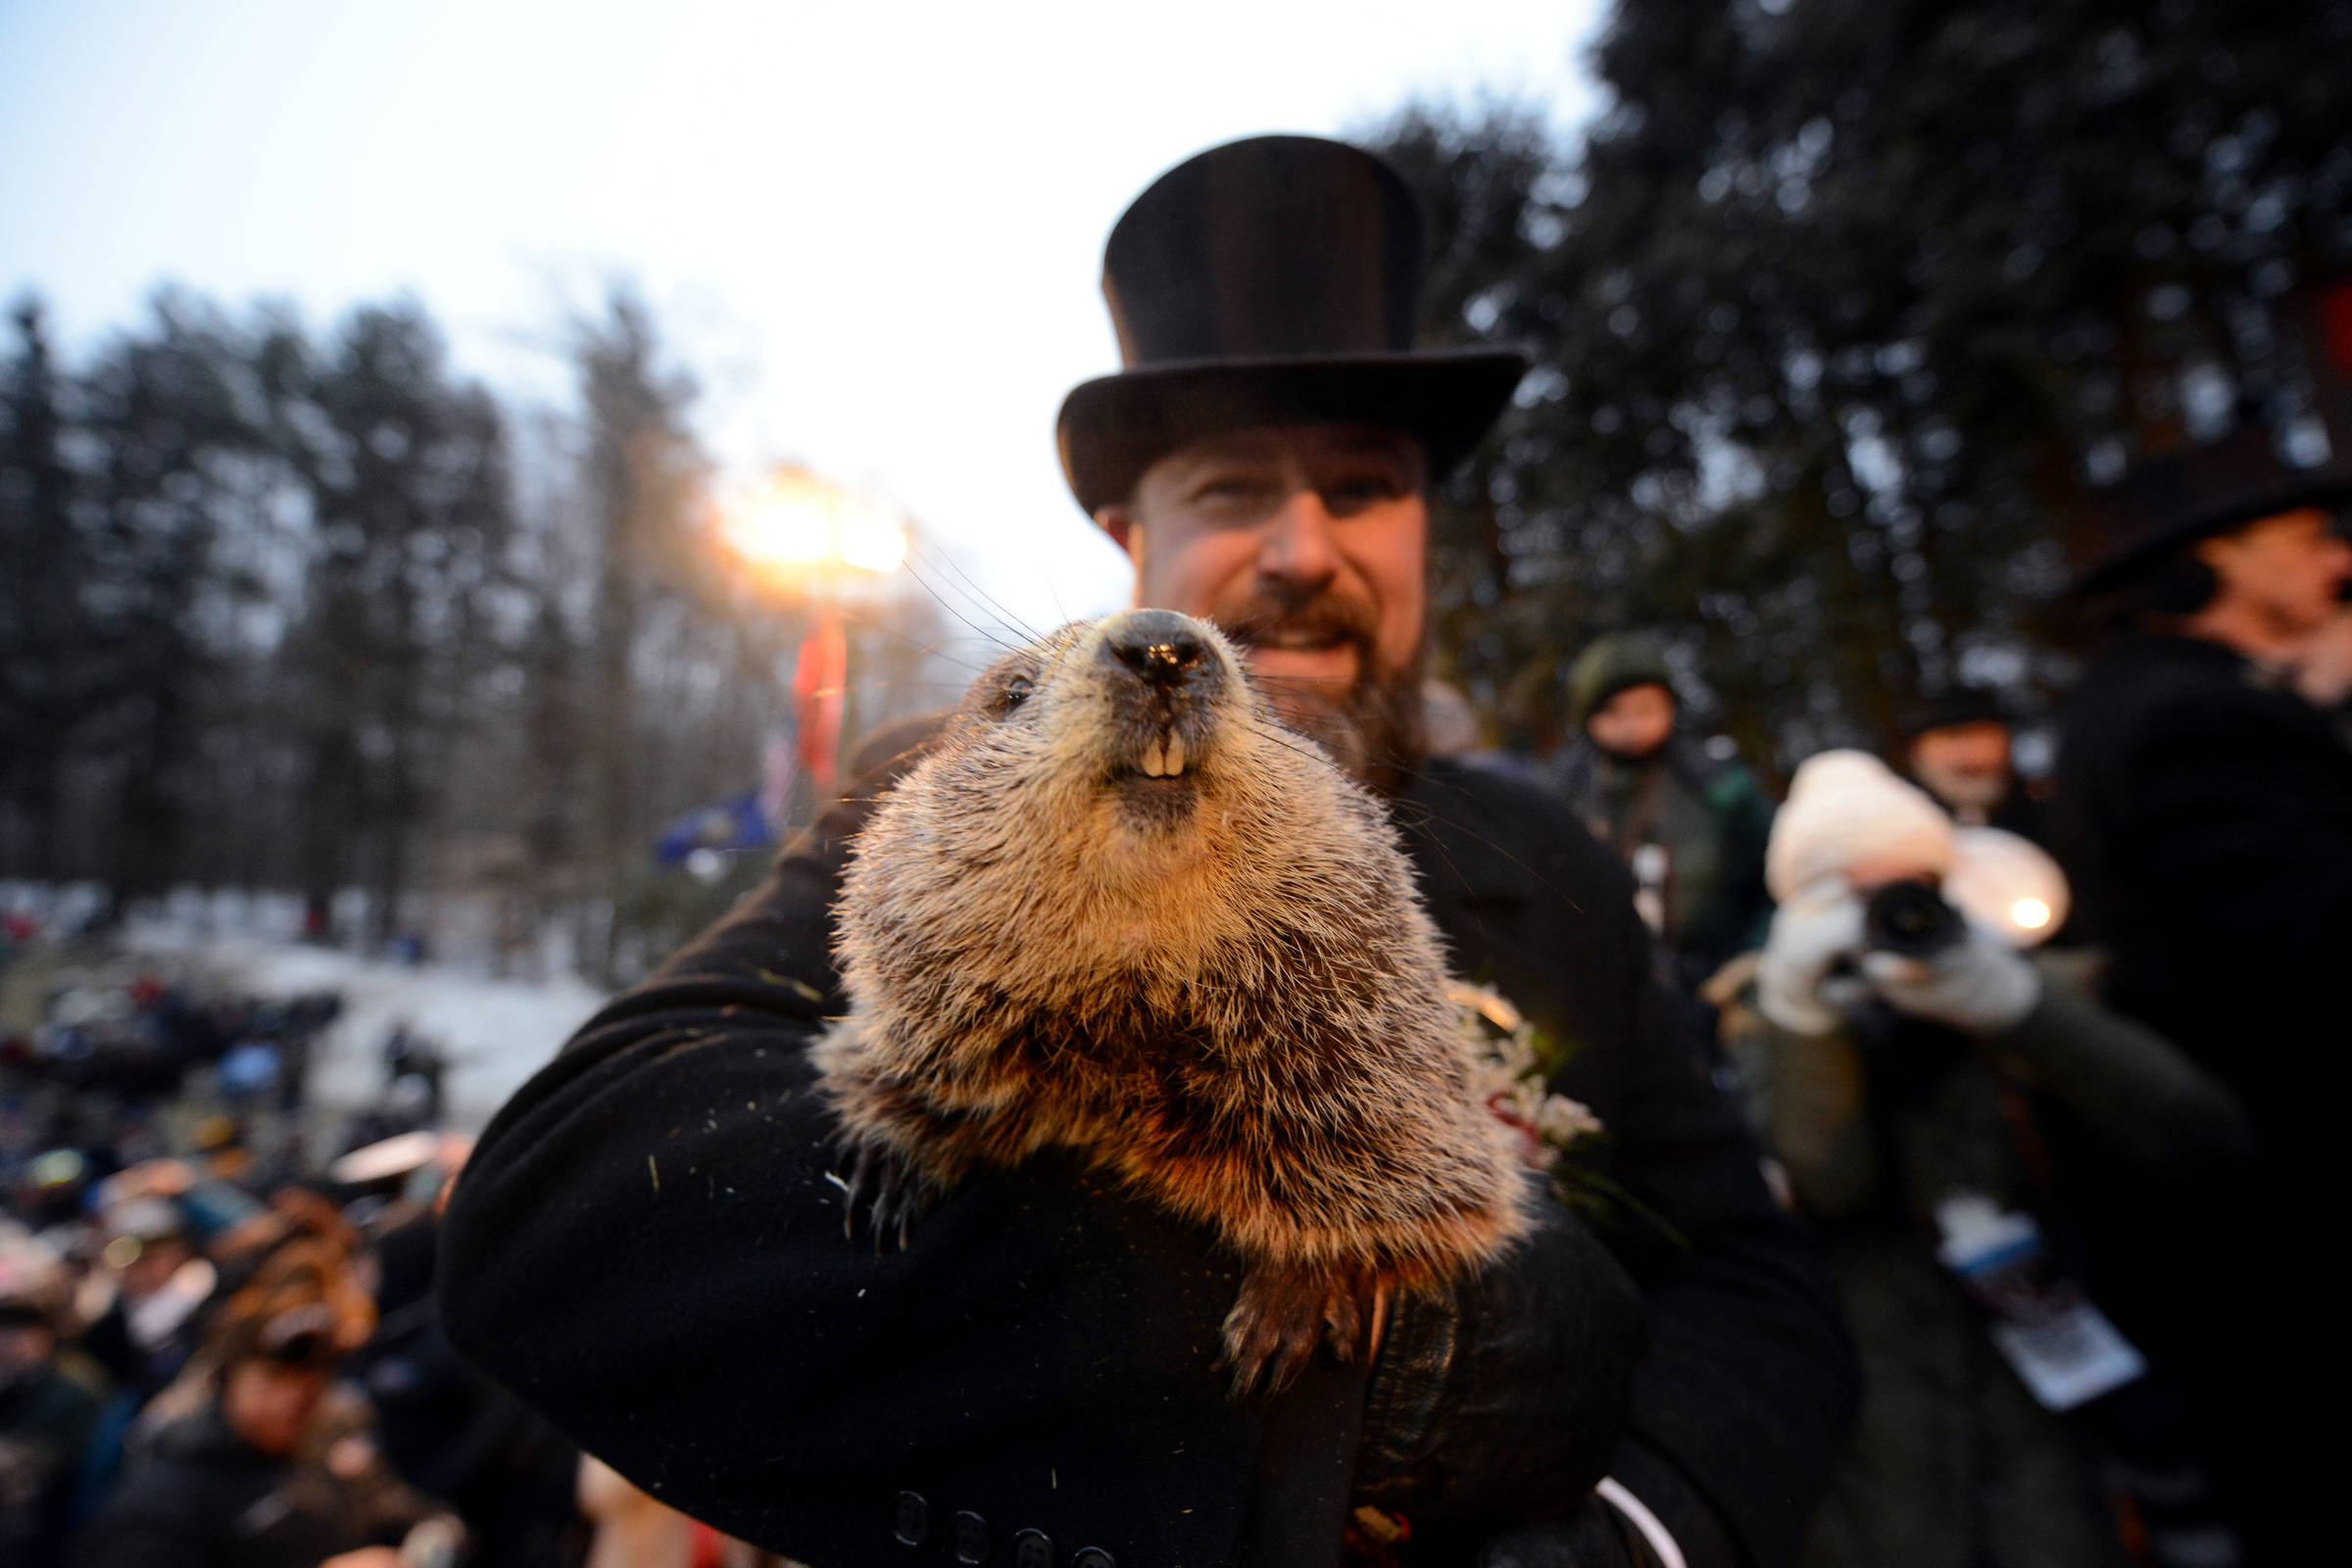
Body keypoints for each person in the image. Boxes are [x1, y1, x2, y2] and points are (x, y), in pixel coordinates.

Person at [440, 134, 1853, 1568]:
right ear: (1132, 536)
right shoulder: (943, 792)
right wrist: (1375, 1378)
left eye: (1361, 486)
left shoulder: (1549, 856)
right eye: (1235, 491)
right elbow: (567, 1204)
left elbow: (1754, 1281)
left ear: (1427, 529)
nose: (1301, 551)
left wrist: (1629, 1541)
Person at [1730, 753, 2250, 1568]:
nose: (1893, 914)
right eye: (1855, 897)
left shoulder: (2032, 986)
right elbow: (1827, 1181)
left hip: (2072, 1422)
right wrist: (1804, 1019)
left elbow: (2201, 1139)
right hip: (1886, 1436)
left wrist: (2018, 1005)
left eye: (1914, 888)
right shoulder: (1769, 1020)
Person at [2049, 429, 2352, 1558]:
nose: (2337, 562)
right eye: (2310, 537)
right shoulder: (2193, 721)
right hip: (2286, 1224)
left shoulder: (2155, 702)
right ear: (2221, 555)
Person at [74, 1265, 458, 1568]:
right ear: (229, 1377)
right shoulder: (161, 1504)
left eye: (312, 1379)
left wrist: (424, 1549)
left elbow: (414, 1518)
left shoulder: (323, 1449)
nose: (297, 1396)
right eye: (276, 1377)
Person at [1544, 635, 1776, 989]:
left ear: (1670, 707)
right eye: (1614, 711)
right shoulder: (1557, 790)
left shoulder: (1716, 780)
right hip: (1596, 985)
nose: (1632, 725)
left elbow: (1775, 871)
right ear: (1588, 714)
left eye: (1646, 709)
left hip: (1712, 982)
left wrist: (1752, 957)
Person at [1898, 688, 2046, 843]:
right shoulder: (1898, 826)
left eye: (1986, 737)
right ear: (1915, 751)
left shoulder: (2047, 818)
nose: (1973, 756)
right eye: (1952, 737)